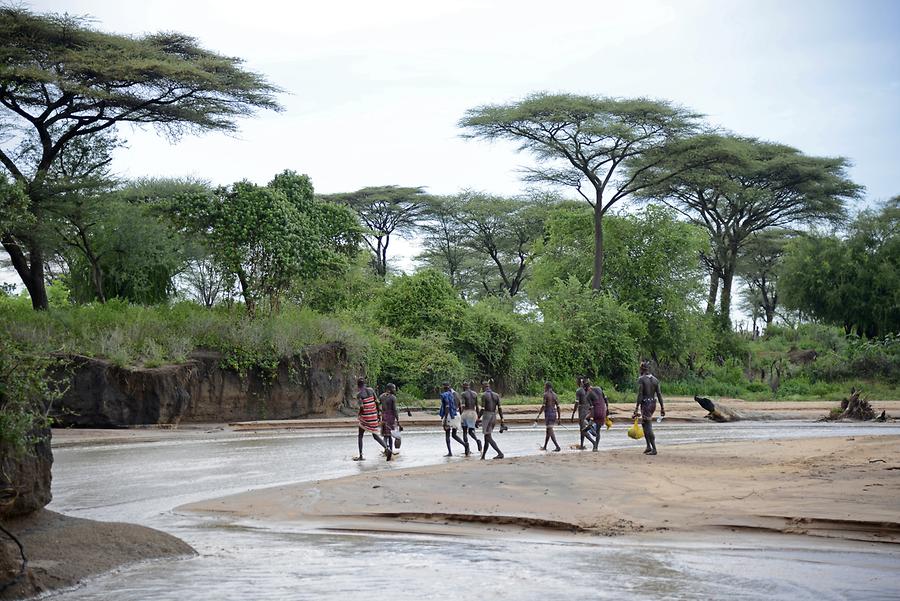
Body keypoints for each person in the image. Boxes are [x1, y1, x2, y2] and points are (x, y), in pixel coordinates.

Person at [633, 361, 666, 455]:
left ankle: (654, 448)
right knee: (644, 424)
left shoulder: (641, 379)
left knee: (648, 426)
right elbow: (659, 394)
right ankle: (648, 446)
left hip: (646, 404)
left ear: (642, 369)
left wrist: (636, 408)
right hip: (653, 404)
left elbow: (640, 394)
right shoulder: (655, 380)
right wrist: (662, 407)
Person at [355, 377, 391, 461]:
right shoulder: (371, 390)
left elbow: (361, 407)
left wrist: (359, 414)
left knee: (360, 436)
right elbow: (377, 402)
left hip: (366, 417)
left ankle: (360, 455)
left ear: (358, 386)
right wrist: (378, 414)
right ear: (365, 384)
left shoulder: (359, 394)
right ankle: (387, 448)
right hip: (374, 416)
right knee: (375, 435)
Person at [439, 382, 468, 457]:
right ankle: (465, 445)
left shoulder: (445, 395)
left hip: (449, 415)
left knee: (447, 434)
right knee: (454, 435)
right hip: (457, 414)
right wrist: (460, 417)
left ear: (445, 387)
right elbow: (460, 406)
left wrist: (445, 419)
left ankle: (450, 452)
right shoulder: (456, 394)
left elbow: (447, 407)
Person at [479, 379, 505, 460]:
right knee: (487, 436)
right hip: (494, 416)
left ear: (483, 387)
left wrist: (478, 418)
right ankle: (483, 456)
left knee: (488, 436)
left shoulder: (484, 395)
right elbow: (500, 408)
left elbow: (482, 409)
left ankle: (500, 453)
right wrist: (502, 420)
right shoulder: (496, 395)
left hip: (487, 416)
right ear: (489, 386)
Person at [570, 377, 596, 450]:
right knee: (583, 428)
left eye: (577, 382)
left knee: (582, 430)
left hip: (582, 411)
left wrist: (573, 413)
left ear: (580, 382)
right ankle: (582, 445)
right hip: (589, 410)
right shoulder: (589, 390)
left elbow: (576, 403)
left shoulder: (579, 390)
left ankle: (593, 442)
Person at [535, 381, 561, 452]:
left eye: (544, 386)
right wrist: (559, 418)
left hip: (548, 414)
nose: (544, 388)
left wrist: (538, 415)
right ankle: (545, 446)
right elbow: (558, 407)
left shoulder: (546, 394)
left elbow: (543, 406)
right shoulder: (555, 395)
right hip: (554, 413)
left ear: (546, 387)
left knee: (550, 430)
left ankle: (557, 446)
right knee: (548, 431)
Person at [459, 381, 482, 454]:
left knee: (465, 432)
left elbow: (462, 406)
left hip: (466, 412)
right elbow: (477, 407)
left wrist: (460, 415)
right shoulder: (475, 394)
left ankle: (467, 449)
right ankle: (477, 440)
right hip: (473, 413)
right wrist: (478, 417)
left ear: (464, 387)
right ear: (469, 386)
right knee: (471, 431)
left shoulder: (463, 394)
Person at [585, 379, 609, 452]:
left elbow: (592, 408)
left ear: (586, 388)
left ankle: (591, 430)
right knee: (598, 431)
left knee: (585, 420)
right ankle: (596, 448)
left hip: (596, 412)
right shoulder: (598, 388)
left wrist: (591, 418)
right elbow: (605, 399)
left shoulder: (588, 395)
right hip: (603, 411)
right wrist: (607, 408)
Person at [380, 383, 401, 454]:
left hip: (384, 416)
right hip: (391, 417)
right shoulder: (393, 398)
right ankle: (390, 450)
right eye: (393, 388)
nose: (394, 390)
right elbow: (394, 409)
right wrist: (397, 419)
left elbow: (379, 406)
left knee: (385, 435)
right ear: (389, 389)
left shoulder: (381, 396)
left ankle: (386, 449)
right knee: (390, 435)